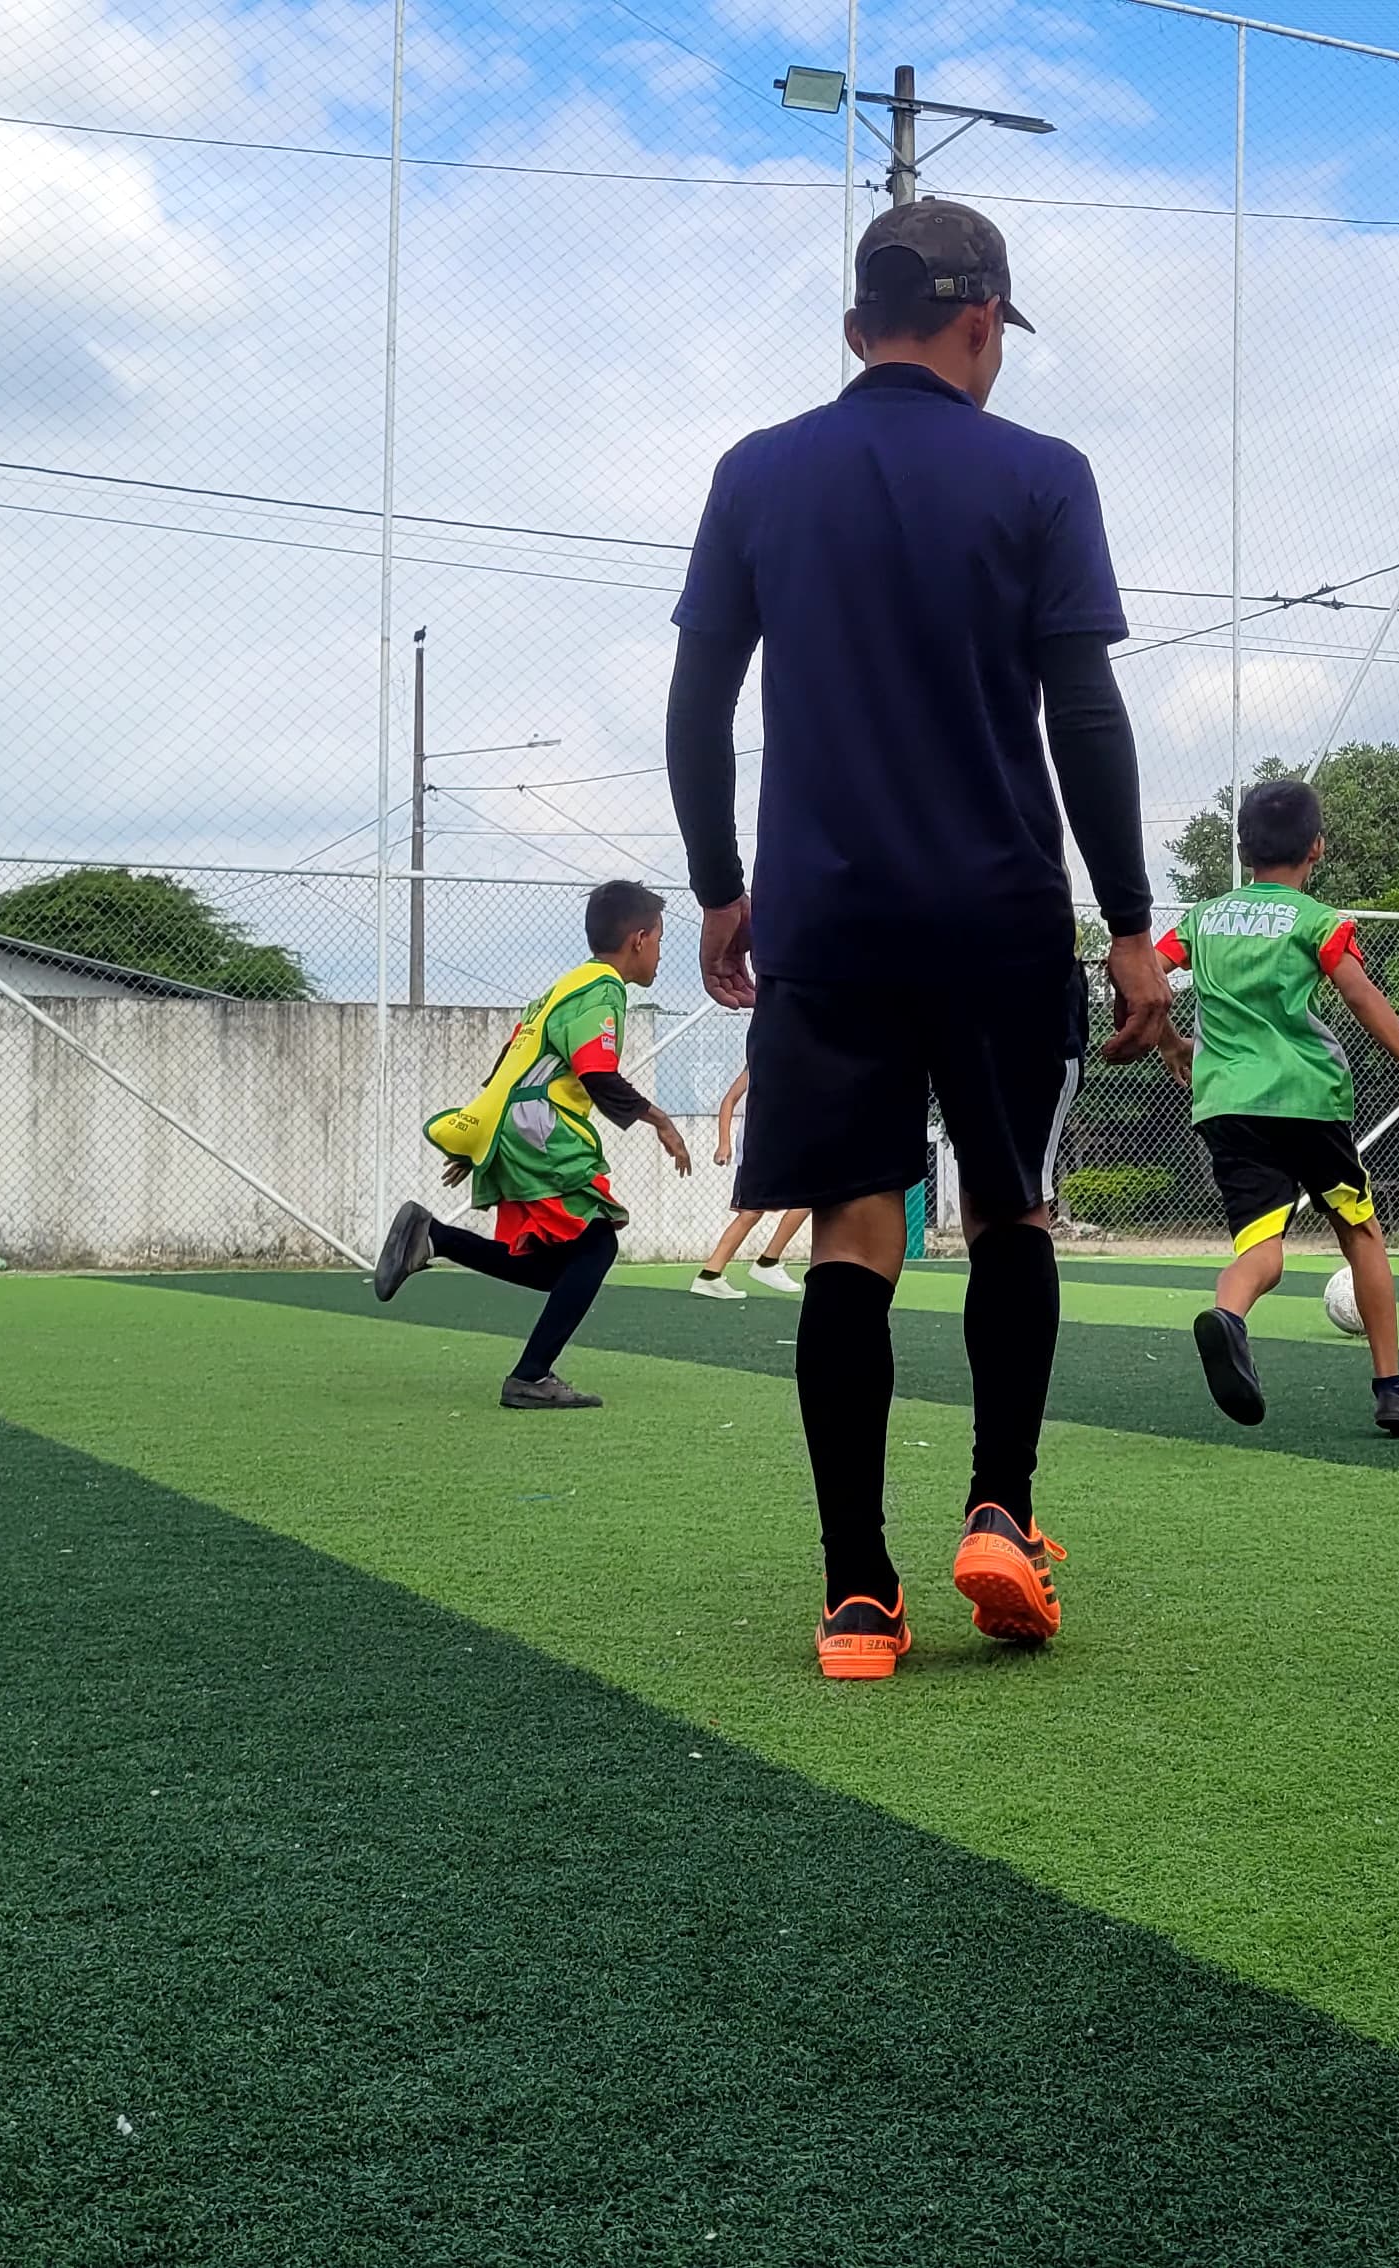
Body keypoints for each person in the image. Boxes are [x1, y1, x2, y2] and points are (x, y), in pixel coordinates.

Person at [663, 198, 1173, 1681]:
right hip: (998, 915)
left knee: (852, 1233)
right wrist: (1130, 926)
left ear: (854, 329)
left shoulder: (757, 472)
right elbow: (1085, 714)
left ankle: (856, 1598)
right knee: (1012, 1212)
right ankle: (1001, 1513)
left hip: (827, 921)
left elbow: (698, 706)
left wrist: (721, 887)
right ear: (980, 323)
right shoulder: (1042, 475)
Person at [1165, 777, 1399, 1437]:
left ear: (1243, 850)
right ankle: (1392, 1390)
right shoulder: (1320, 922)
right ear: (1317, 848)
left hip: (1226, 1104)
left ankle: (1229, 1317)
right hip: (1308, 1101)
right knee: (1359, 1232)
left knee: (1262, 1248)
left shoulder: (1200, 920)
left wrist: (1170, 1044)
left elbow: (1142, 980)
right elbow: (1360, 995)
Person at [370, 880, 693, 1406]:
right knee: (597, 1244)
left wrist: (483, 1135)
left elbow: (510, 1063)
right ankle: (530, 1376)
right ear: (638, 939)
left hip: (516, 1127)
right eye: (659, 939)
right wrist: (660, 1121)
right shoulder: (603, 989)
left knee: (556, 1267)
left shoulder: (563, 987)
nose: (659, 951)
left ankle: (436, 1238)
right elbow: (596, 1072)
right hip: (542, 1130)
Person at [688, 1063, 808, 1299]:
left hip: (777, 1149)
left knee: (796, 1200)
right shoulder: (760, 1062)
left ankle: (712, 1275)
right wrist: (724, 1143)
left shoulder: (798, 1064)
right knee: (756, 1212)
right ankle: (764, 1263)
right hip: (758, 1149)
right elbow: (729, 1100)